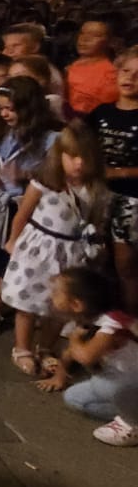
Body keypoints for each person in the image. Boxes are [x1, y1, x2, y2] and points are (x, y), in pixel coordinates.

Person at [0, 124, 109, 376]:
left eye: (85, 157)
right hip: (38, 249)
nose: (79, 163)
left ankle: (46, 348)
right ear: (60, 155)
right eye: (72, 156)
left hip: (71, 252)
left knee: (59, 306)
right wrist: (13, 240)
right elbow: (23, 214)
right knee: (27, 302)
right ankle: (22, 348)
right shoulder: (45, 183)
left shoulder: (95, 190)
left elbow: (95, 223)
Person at [0, 77, 59, 338]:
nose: (4, 114)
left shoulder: (52, 138)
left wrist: (25, 174)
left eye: (10, 108)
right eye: (1, 108)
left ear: (29, 108)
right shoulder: (6, 132)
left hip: (29, 208)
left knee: (9, 258)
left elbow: (56, 177)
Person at [41, 265, 138, 445]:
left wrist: (75, 339)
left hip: (131, 378)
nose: (51, 297)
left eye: (56, 293)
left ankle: (132, 424)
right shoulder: (87, 320)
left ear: (76, 304)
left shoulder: (112, 324)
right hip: (121, 378)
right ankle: (129, 411)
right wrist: (59, 376)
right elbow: (70, 353)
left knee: (106, 386)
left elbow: (86, 356)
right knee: (74, 398)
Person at [88, 45, 138, 313]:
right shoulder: (101, 112)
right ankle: (92, 313)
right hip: (99, 194)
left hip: (131, 199)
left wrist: (119, 172)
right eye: (126, 71)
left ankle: (128, 318)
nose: (131, 78)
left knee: (125, 264)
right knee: (94, 256)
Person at [66, 16, 118, 116]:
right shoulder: (72, 65)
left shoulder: (110, 75)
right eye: (82, 33)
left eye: (95, 35)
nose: (84, 39)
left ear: (110, 41)